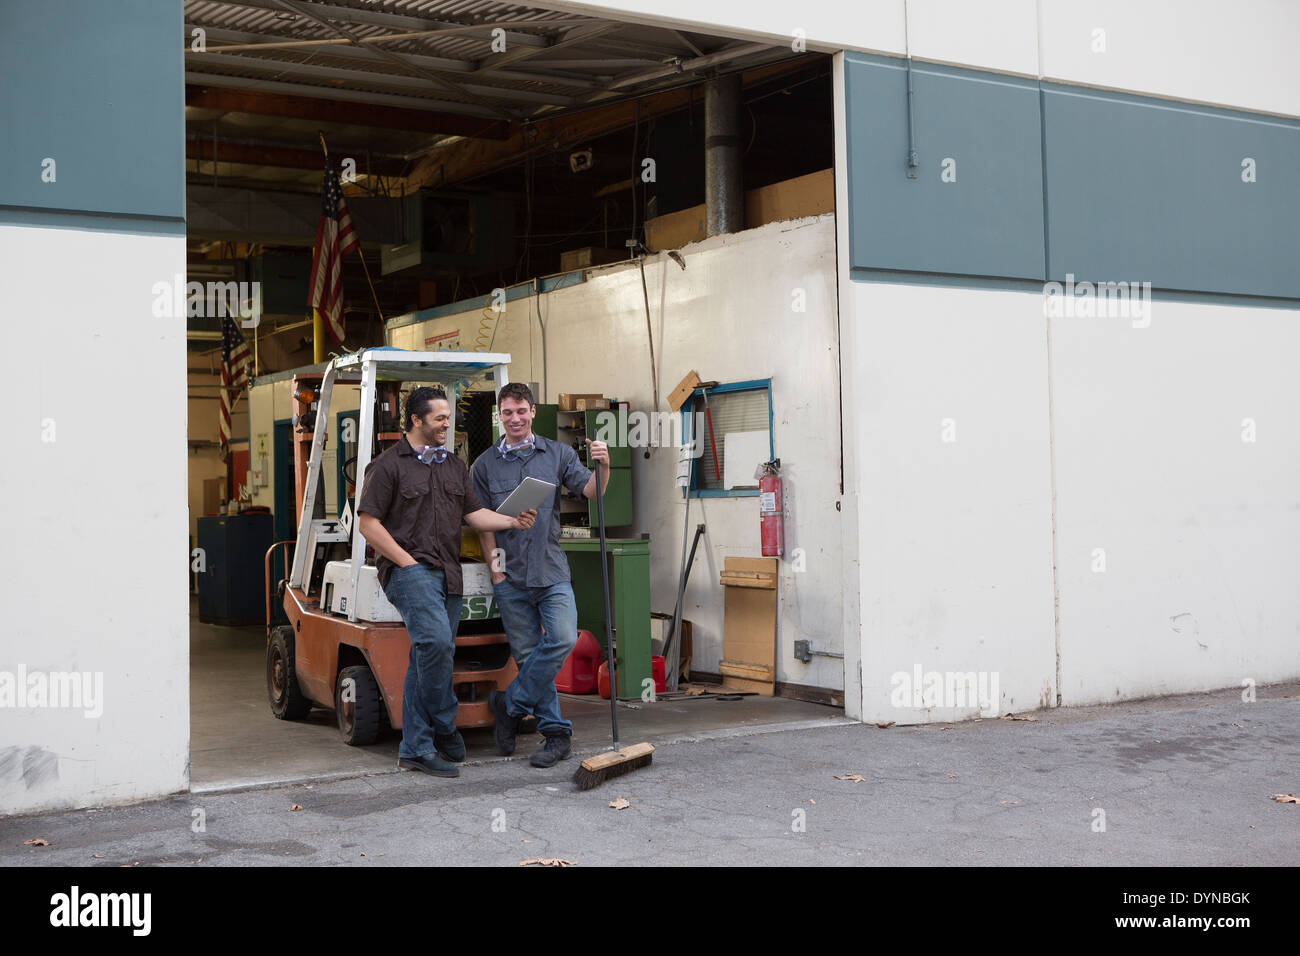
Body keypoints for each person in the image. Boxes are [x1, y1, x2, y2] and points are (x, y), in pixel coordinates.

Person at [357, 386, 536, 779]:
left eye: (447, 416)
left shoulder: (454, 466)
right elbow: (367, 523)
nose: (446, 423)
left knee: (428, 656)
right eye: (439, 417)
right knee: (436, 642)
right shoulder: (387, 466)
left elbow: (475, 515)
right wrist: (406, 563)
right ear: (416, 420)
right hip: (408, 570)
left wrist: (511, 520)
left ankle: (415, 749)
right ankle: (443, 720)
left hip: (448, 575)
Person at [471, 382, 610, 768]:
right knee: (531, 655)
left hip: (550, 570)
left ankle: (509, 705)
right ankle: (556, 733)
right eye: (507, 412)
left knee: (563, 638)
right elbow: (482, 524)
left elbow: (592, 492)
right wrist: (495, 571)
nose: (514, 419)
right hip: (510, 576)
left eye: (521, 411)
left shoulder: (558, 453)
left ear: (532, 411)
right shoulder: (483, 465)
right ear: (499, 416)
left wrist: (605, 464)